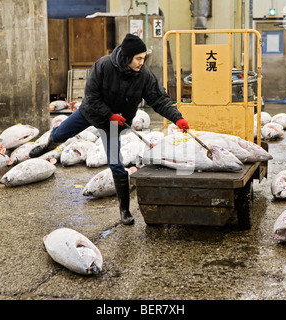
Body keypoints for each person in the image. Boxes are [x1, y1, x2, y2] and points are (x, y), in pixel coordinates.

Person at [30, 33, 189, 225]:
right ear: (127, 57)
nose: (141, 62)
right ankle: (47, 144)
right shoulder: (103, 65)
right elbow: (91, 96)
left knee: (116, 165)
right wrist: (109, 113)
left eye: (143, 58)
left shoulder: (144, 75)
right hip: (90, 113)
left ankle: (124, 210)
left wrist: (177, 118)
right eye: (138, 58)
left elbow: (158, 99)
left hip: (115, 124)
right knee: (59, 134)